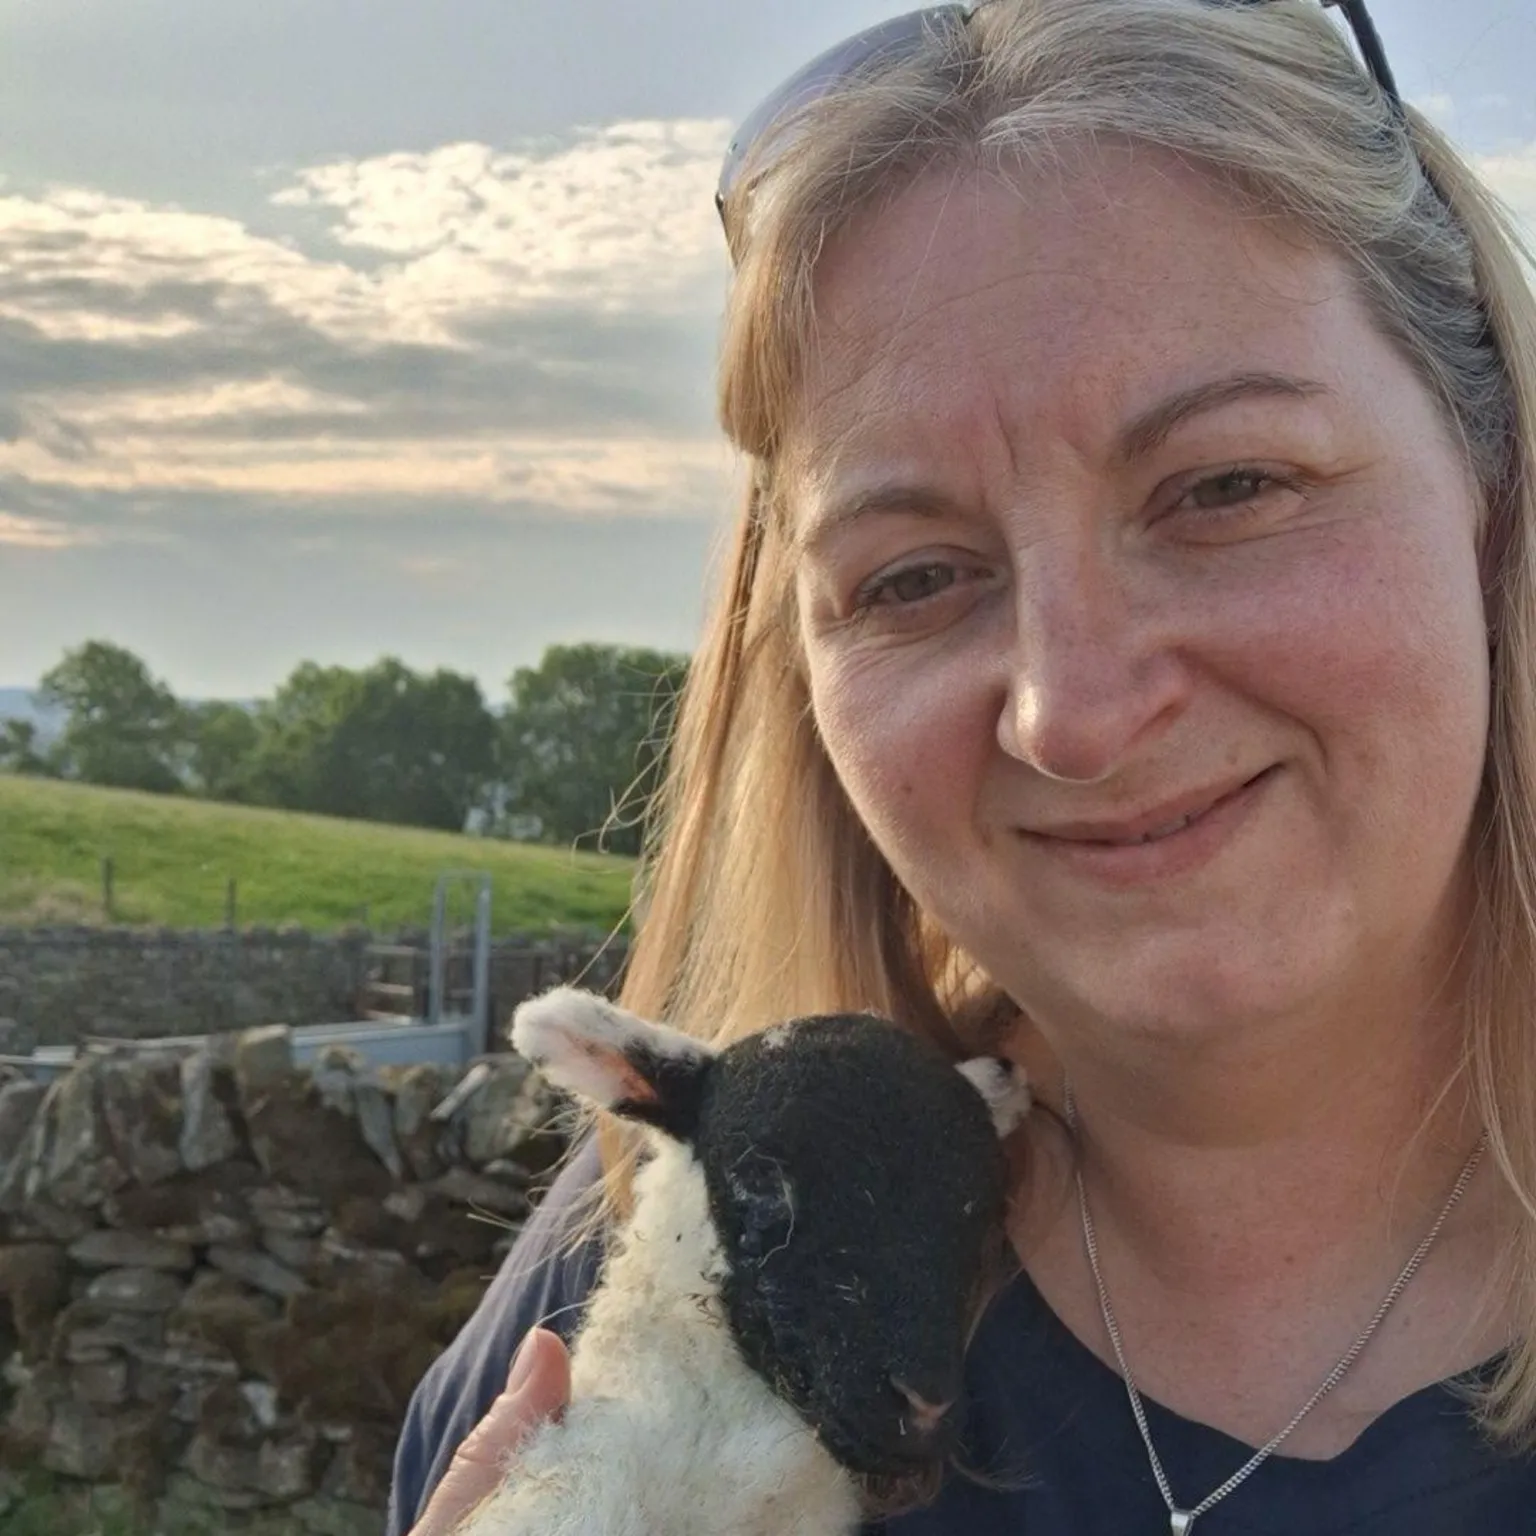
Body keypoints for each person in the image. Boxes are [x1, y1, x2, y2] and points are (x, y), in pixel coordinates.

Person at [390, 0, 1536, 1530]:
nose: (1071, 713)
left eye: (1228, 485)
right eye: (914, 578)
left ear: (1495, 486)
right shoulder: (676, 1279)